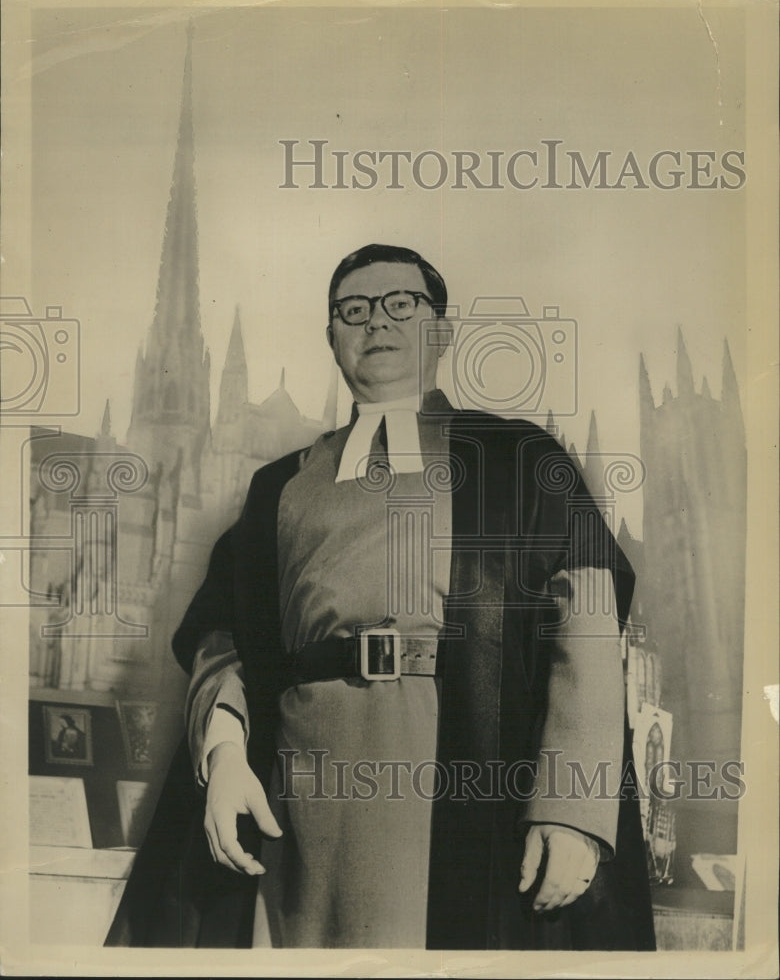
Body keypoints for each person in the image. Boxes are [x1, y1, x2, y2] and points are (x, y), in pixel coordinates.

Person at [107, 244, 654, 950]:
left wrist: (573, 810)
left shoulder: (520, 457)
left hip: (466, 786)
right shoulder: (278, 487)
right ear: (331, 336)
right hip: (298, 799)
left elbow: (589, 620)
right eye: (354, 310)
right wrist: (225, 756)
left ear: (441, 332)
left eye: (401, 304)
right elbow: (225, 638)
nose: (377, 321)